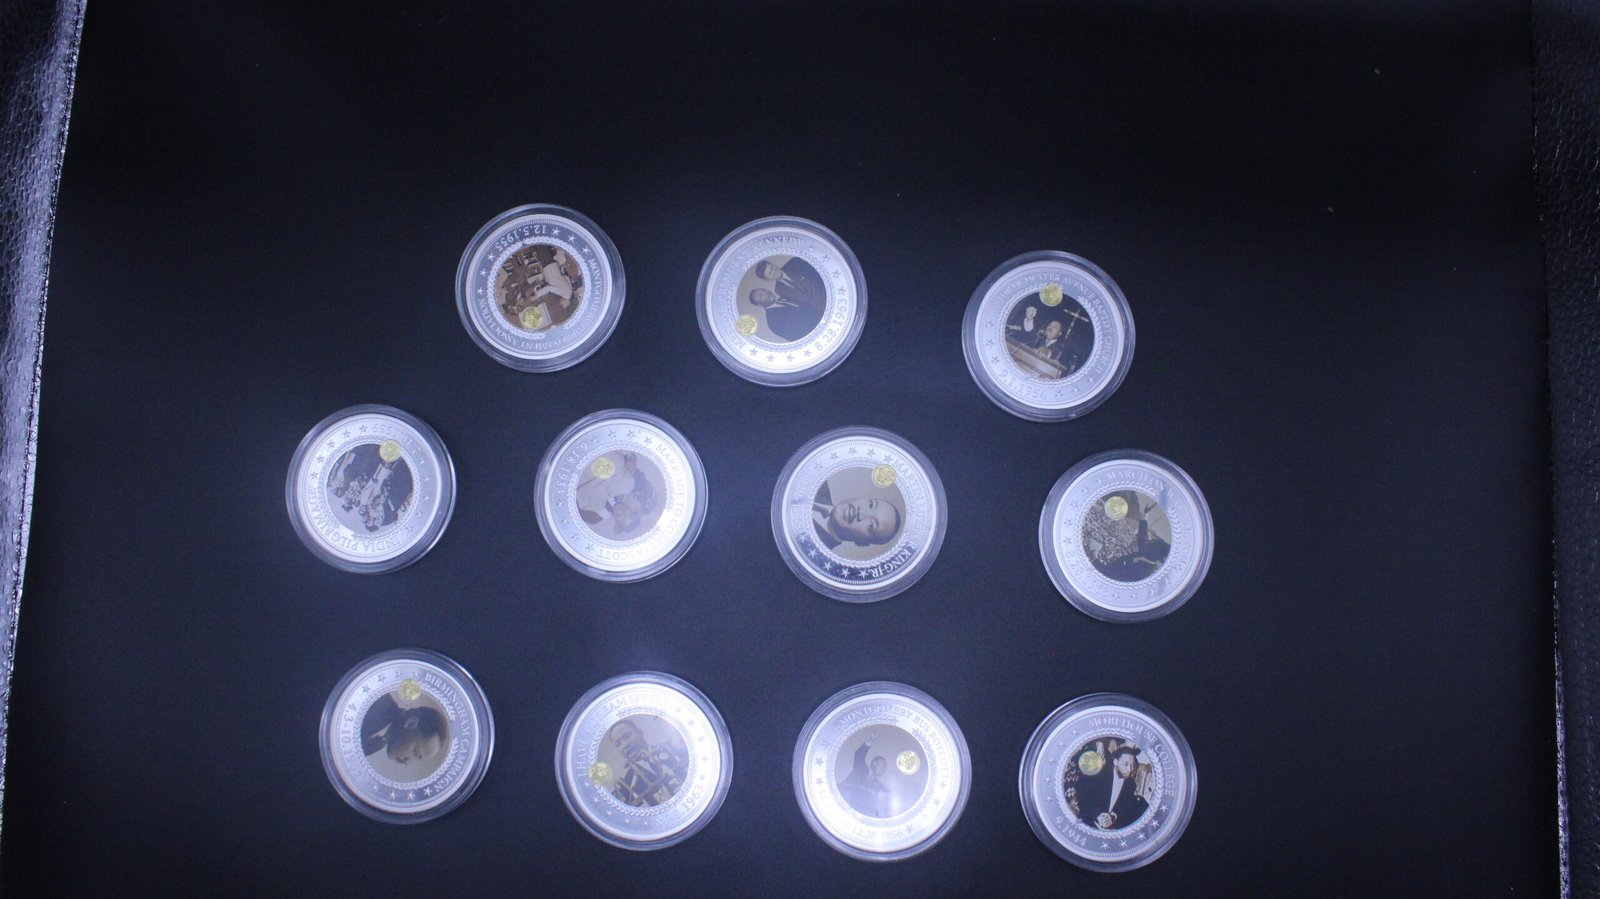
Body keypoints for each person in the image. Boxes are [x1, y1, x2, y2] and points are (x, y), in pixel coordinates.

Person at [1082, 491, 1170, 580]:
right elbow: (1142, 537)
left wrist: (1094, 557)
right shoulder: (1148, 554)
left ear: (1154, 552)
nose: (1150, 541)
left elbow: (1110, 574)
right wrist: (1145, 515)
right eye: (1152, 540)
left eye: (1152, 542)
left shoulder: (1140, 572)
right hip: (1116, 562)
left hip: (1104, 572)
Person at [607, 719, 688, 808]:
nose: (625, 745)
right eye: (618, 744)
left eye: (627, 736)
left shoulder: (671, 748)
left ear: (640, 733)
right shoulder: (628, 785)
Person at [361, 693, 447, 773]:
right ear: (410, 723)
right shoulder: (375, 703)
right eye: (415, 753)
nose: (407, 762)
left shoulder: (380, 743)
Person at [575, 452, 656, 537]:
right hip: (590, 456)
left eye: (621, 522)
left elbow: (573, 504)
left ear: (616, 525)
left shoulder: (596, 517)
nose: (621, 515)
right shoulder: (624, 490)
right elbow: (629, 460)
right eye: (628, 514)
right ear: (632, 510)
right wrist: (631, 460)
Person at [747, 257, 826, 341]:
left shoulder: (795, 263)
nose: (774, 272)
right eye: (770, 273)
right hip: (819, 332)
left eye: (772, 268)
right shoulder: (773, 320)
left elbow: (820, 273)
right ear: (767, 280)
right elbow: (796, 336)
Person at [1071, 746, 1149, 830]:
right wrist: (1097, 815)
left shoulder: (1130, 784)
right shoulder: (1100, 773)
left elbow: (1124, 807)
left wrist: (1113, 817)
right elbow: (1084, 797)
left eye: (1132, 765)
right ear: (1115, 762)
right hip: (1089, 823)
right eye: (1125, 764)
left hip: (1111, 828)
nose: (1130, 770)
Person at [812, 480, 902, 551]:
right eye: (870, 505)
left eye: (870, 525)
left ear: (862, 543)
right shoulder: (817, 481)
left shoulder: (815, 555)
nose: (860, 513)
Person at [838, 730, 891, 817]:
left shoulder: (877, 784)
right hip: (842, 797)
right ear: (874, 763)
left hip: (853, 810)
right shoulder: (861, 767)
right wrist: (871, 740)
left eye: (884, 768)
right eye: (882, 765)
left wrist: (890, 795)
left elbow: (887, 793)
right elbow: (859, 754)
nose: (883, 769)